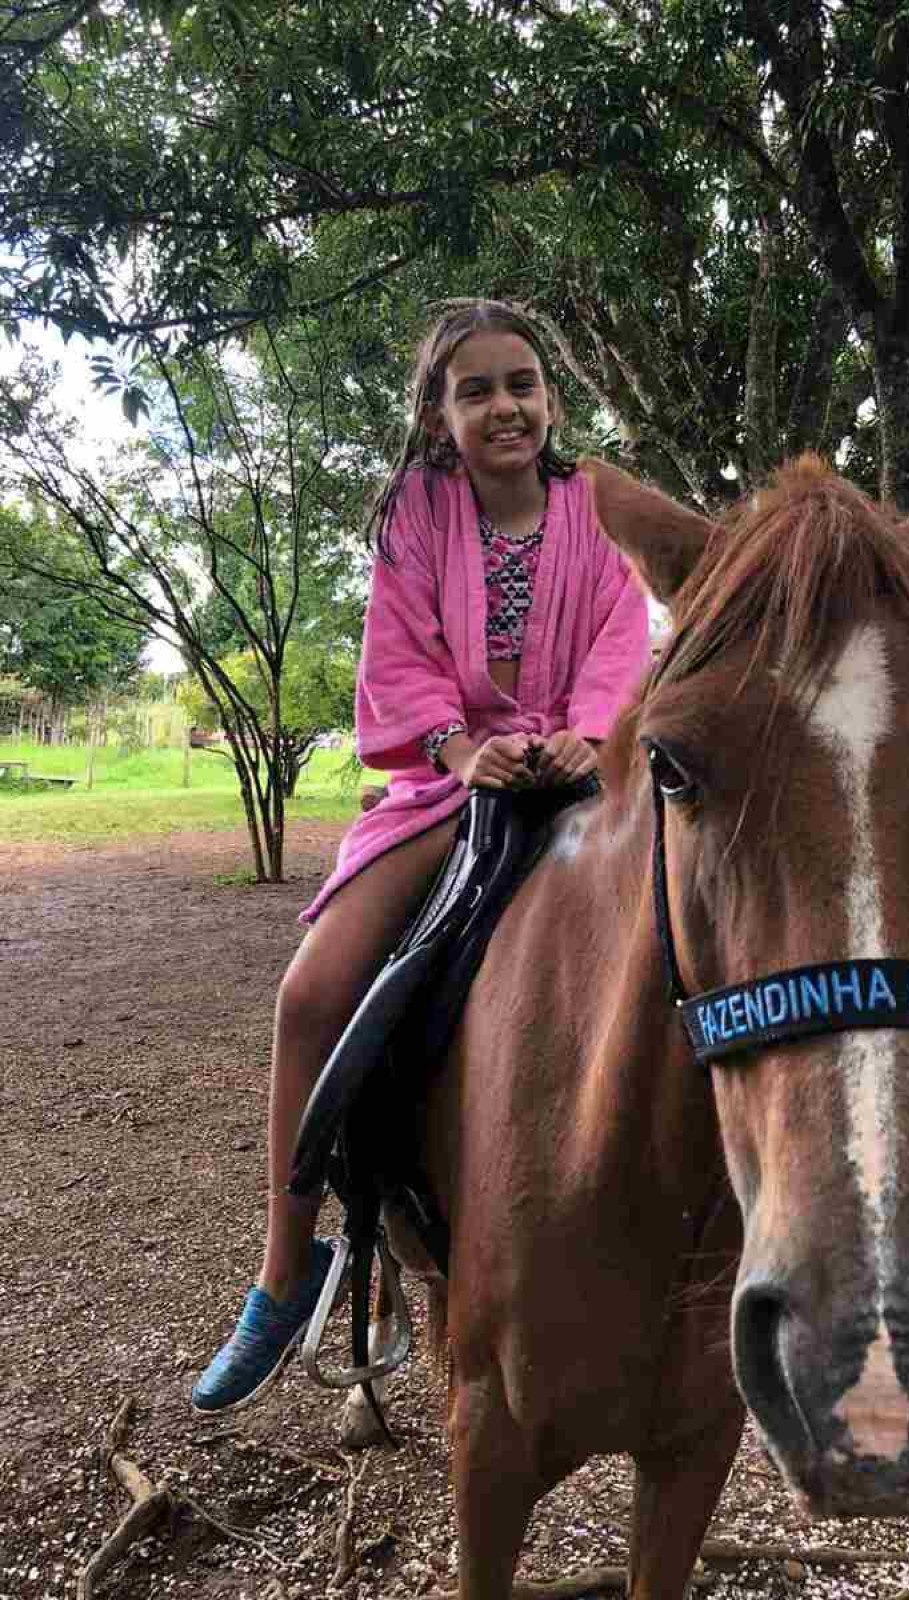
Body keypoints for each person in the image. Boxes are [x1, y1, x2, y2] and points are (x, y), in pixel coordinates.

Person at [192, 301, 651, 1413]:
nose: (508, 406)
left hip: (584, 770)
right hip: (448, 785)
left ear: (552, 397)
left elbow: (622, 632)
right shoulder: (416, 512)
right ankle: (287, 1264)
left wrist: (588, 730)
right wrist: (460, 745)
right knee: (311, 994)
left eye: (524, 383)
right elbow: (396, 655)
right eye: (479, 389)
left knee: (697, 934)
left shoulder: (594, 505)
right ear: (441, 418)